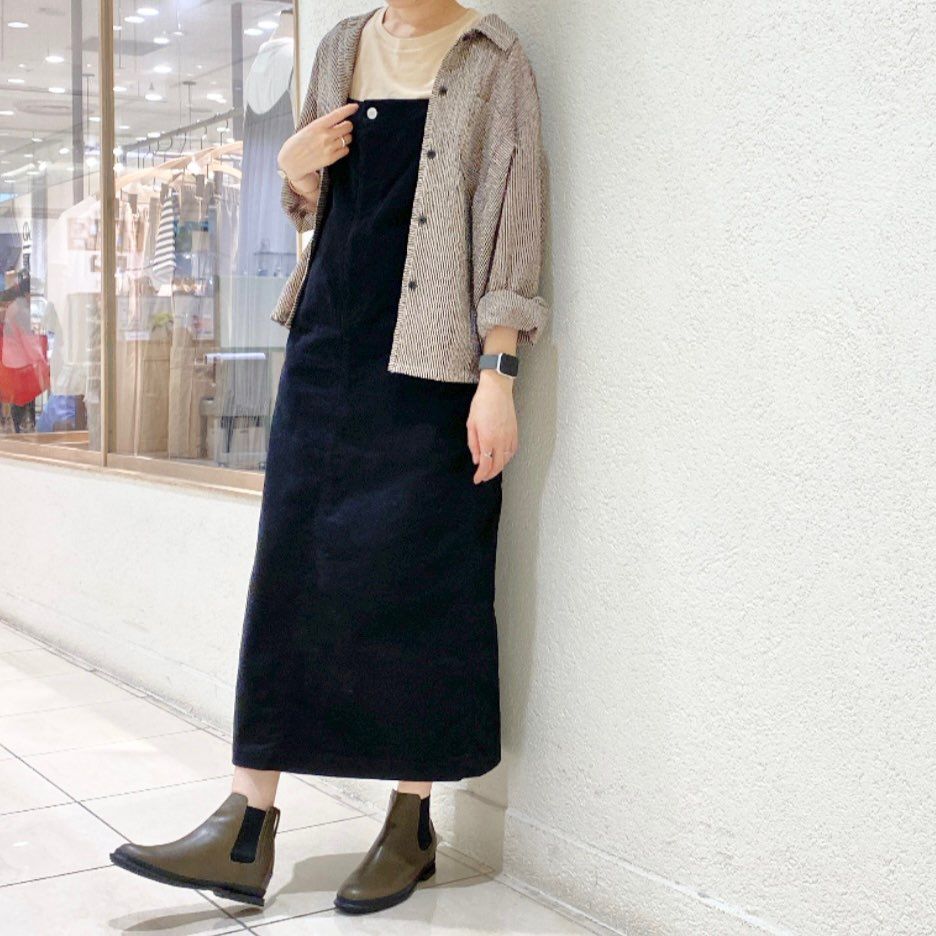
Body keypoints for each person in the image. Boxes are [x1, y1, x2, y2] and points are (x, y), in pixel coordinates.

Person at [110, 0, 548, 915]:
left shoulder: (492, 56)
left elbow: (514, 222)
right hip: (329, 339)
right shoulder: (343, 44)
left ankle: (410, 822)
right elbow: (318, 203)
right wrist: (292, 167)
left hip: (435, 363)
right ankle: (245, 824)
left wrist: (498, 373)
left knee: (424, 581)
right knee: (290, 569)